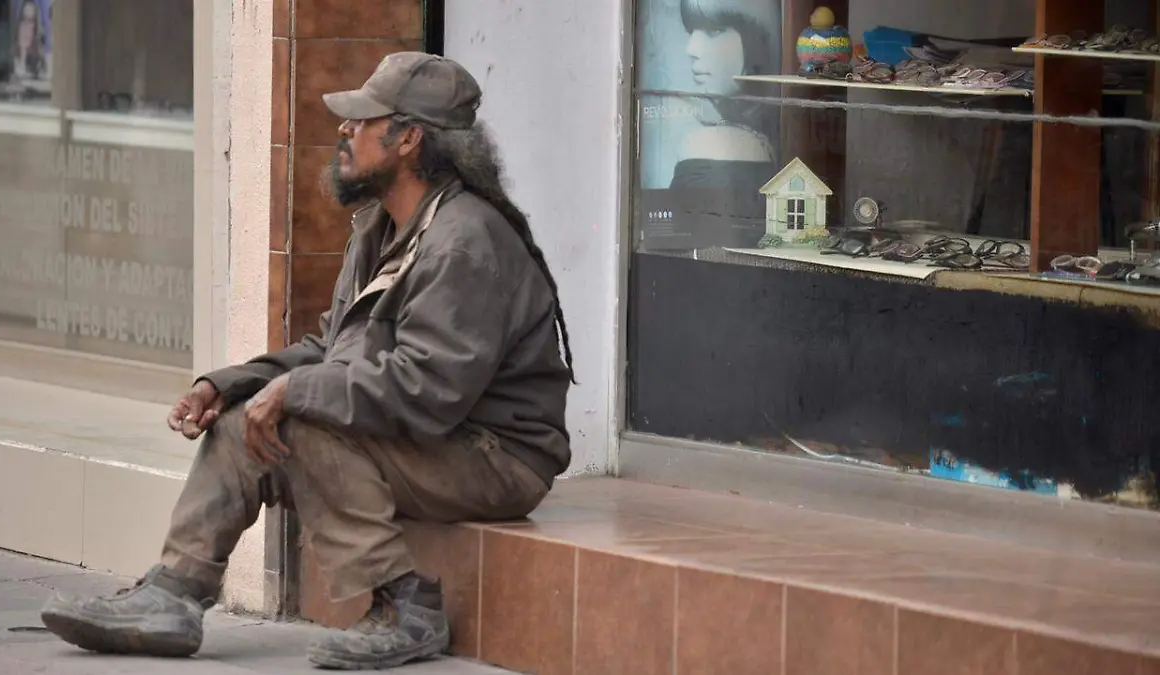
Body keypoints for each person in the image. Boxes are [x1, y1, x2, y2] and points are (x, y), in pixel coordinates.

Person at [39, 51, 575, 671]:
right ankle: (174, 593)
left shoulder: (465, 242)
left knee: (302, 417)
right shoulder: (383, 223)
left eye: (362, 120)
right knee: (248, 417)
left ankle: (407, 606)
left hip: (495, 456)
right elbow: (334, 350)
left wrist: (293, 394)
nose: (344, 130)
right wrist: (232, 383)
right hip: (440, 435)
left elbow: (428, 390)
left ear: (409, 138)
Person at [669, 0, 780, 247]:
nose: (691, 48)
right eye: (691, 32)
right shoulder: (762, 136)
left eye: (714, 31)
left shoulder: (702, 144)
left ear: (756, 41)